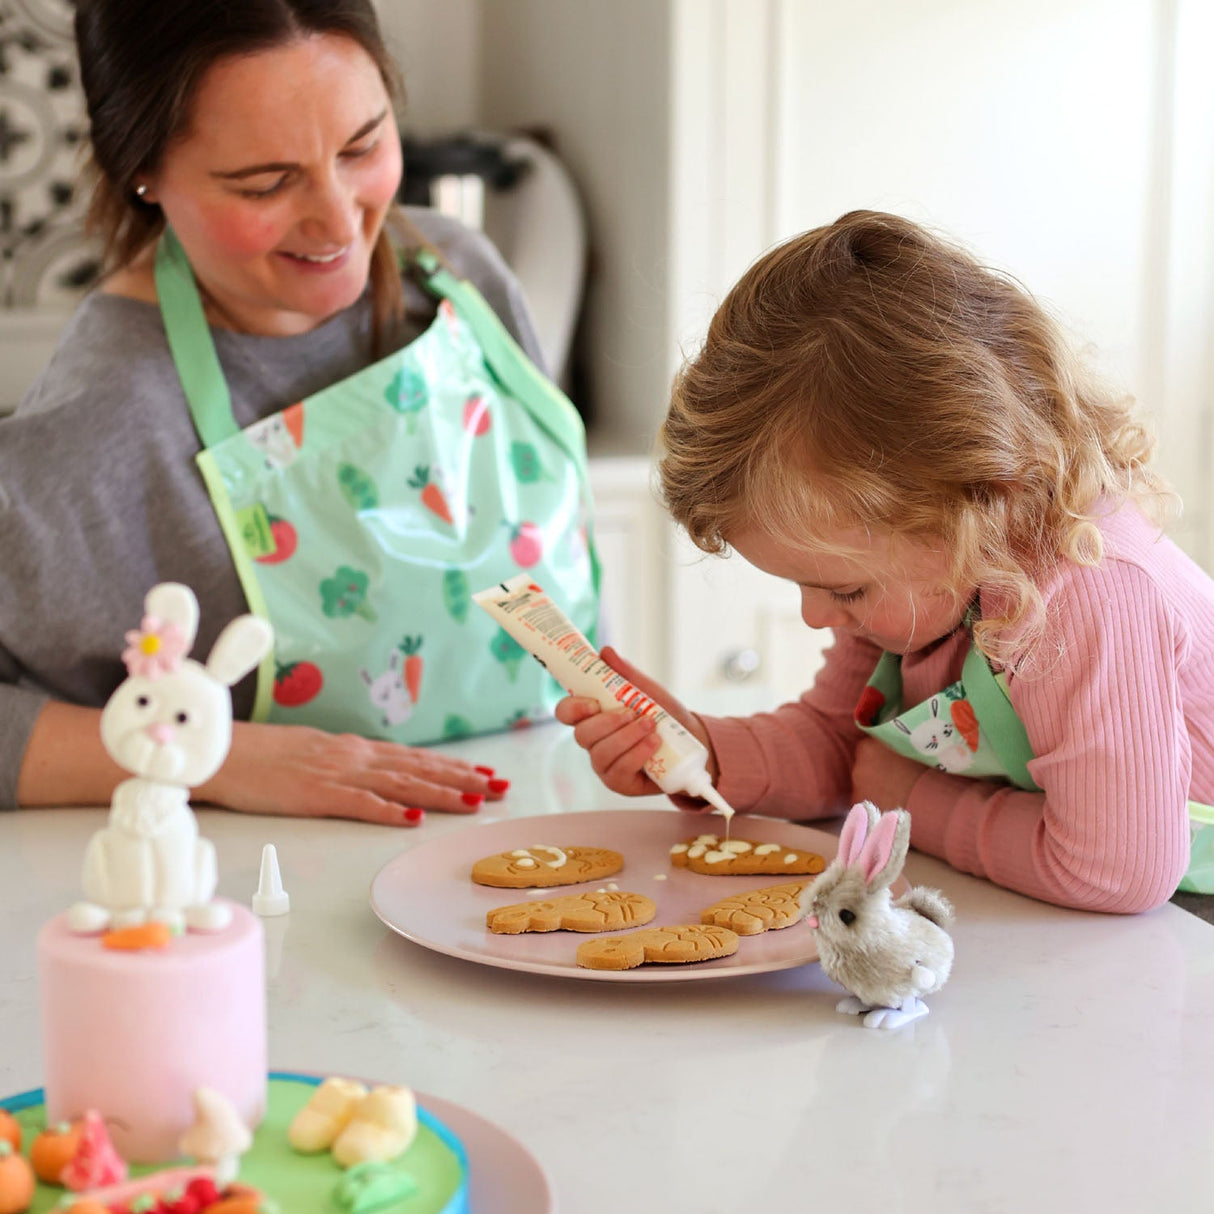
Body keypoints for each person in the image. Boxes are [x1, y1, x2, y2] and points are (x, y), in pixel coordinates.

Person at [558, 209, 1214, 914]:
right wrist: (703, 754)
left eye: (842, 589)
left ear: (974, 507)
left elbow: (1114, 870)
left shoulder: (1088, 594)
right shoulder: (918, 580)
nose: (816, 615)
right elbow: (839, 747)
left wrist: (909, 799)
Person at [0, 0, 541, 821]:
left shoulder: (458, 278)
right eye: (266, 182)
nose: (338, 218)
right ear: (142, 172)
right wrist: (208, 753)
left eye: (363, 146)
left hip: (542, 835)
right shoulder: (89, 432)